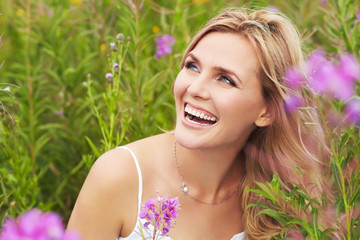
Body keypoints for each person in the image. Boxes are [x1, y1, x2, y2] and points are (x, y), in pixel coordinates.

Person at [67, 8, 329, 240]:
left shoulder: (280, 194)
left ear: (267, 111)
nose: (195, 88)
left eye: (225, 79)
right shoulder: (118, 176)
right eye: (192, 66)